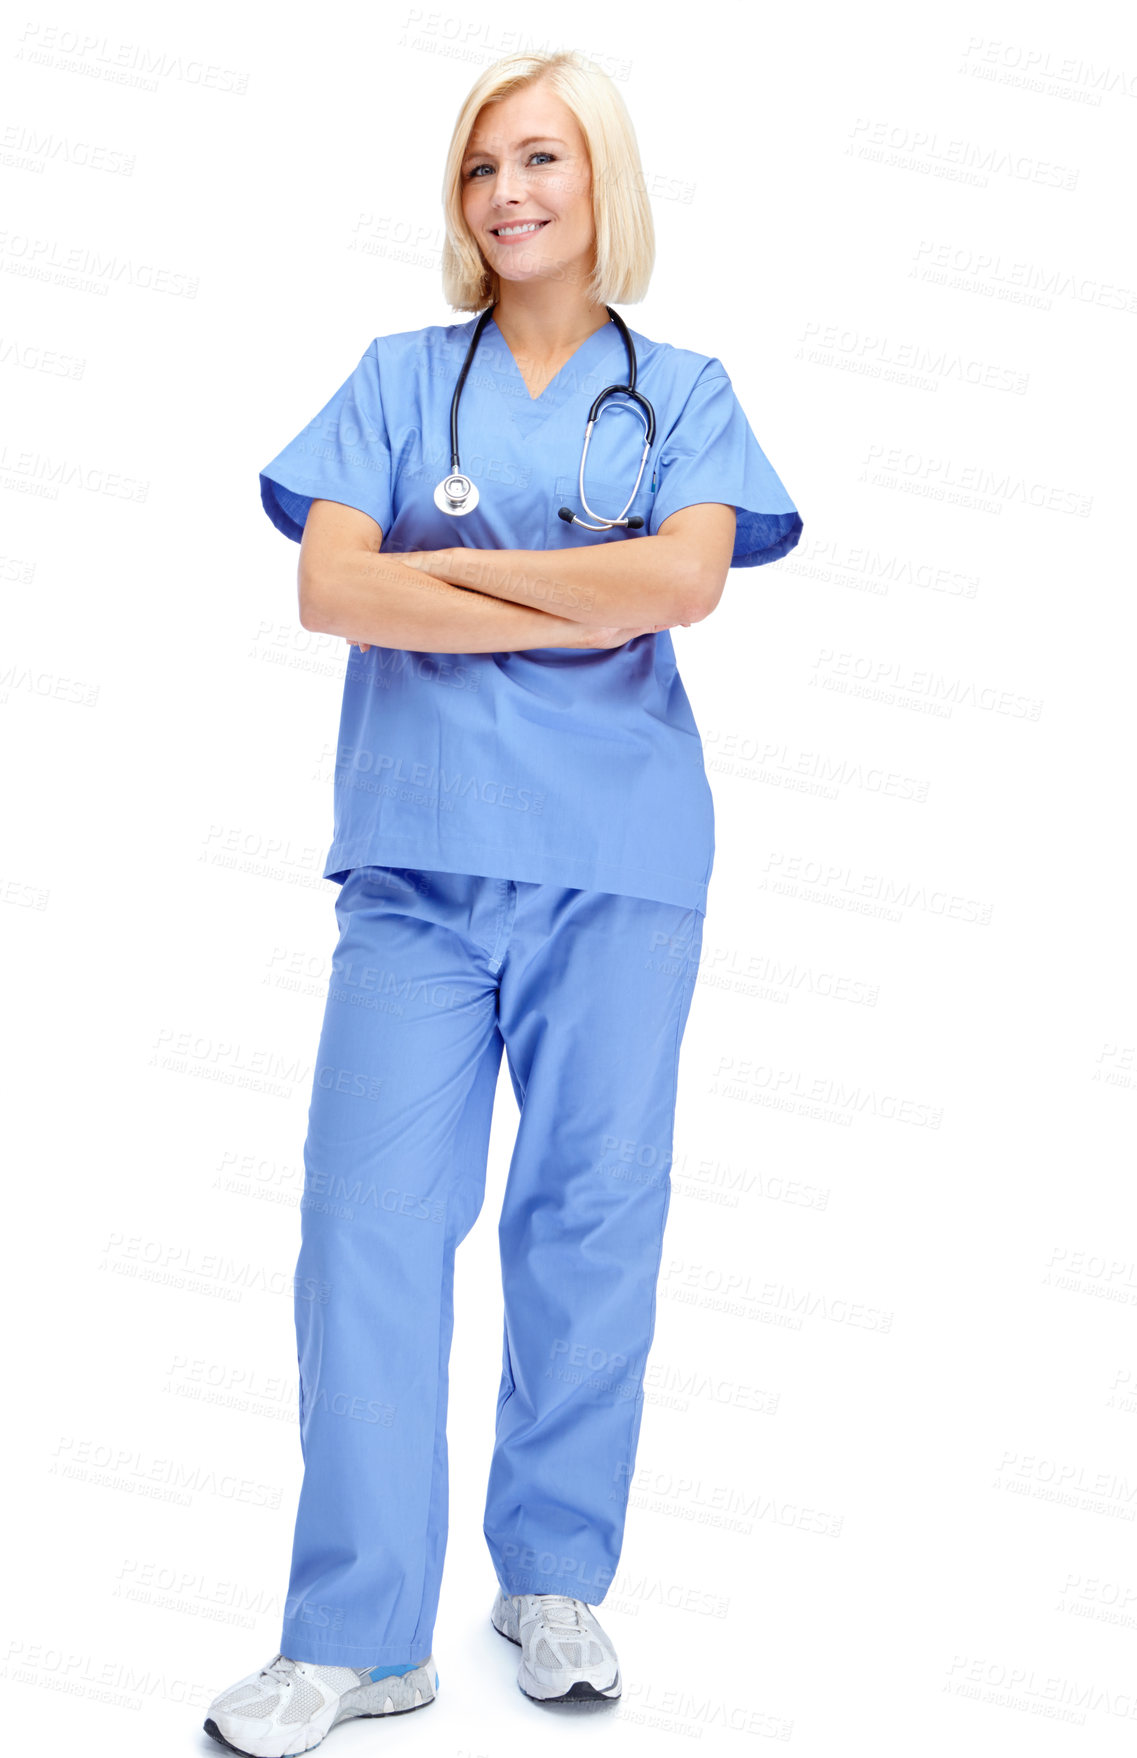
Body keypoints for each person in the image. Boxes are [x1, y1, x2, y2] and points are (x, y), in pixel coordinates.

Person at [204, 46, 802, 1758]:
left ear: (600, 178)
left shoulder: (679, 388)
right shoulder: (395, 380)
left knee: (588, 1220)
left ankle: (550, 1575)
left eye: (537, 160)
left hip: (620, 863)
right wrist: (572, 595)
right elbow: (330, 586)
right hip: (415, 864)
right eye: (478, 171)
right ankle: (355, 1637)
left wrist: (445, 577)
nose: (507, 196)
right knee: (367, 1230)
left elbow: (684, 579)